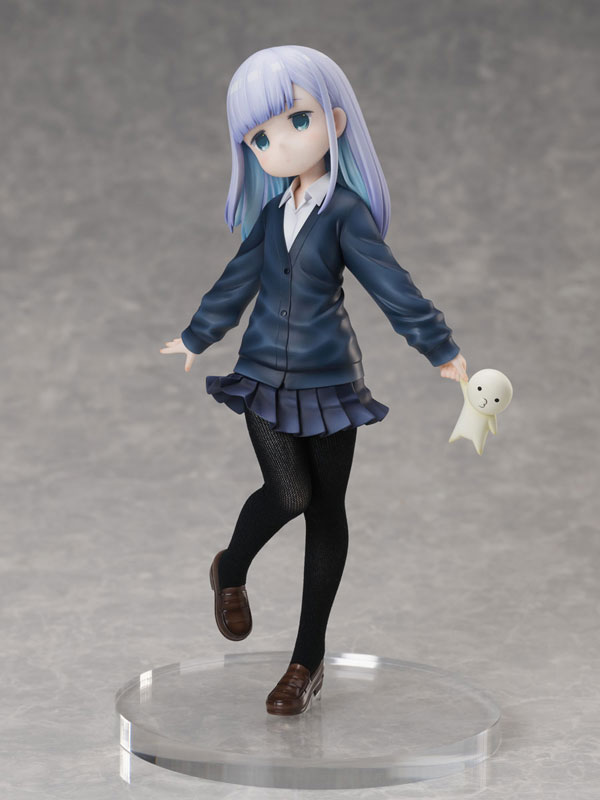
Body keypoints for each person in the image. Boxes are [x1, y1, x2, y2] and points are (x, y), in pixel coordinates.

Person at [160, 45, 468, 715]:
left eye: (296, 122)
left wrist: (438, 345)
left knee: (326, 512)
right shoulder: (272, 214)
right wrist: (199, 333)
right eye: (260, 137)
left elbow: (390, 283)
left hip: (330, 380)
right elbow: (238, 278)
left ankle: (306, 660)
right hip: (262, 373)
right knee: (290, 491)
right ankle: (230, 567)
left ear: (335, 119)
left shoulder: (346, 213)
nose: (278, 144)